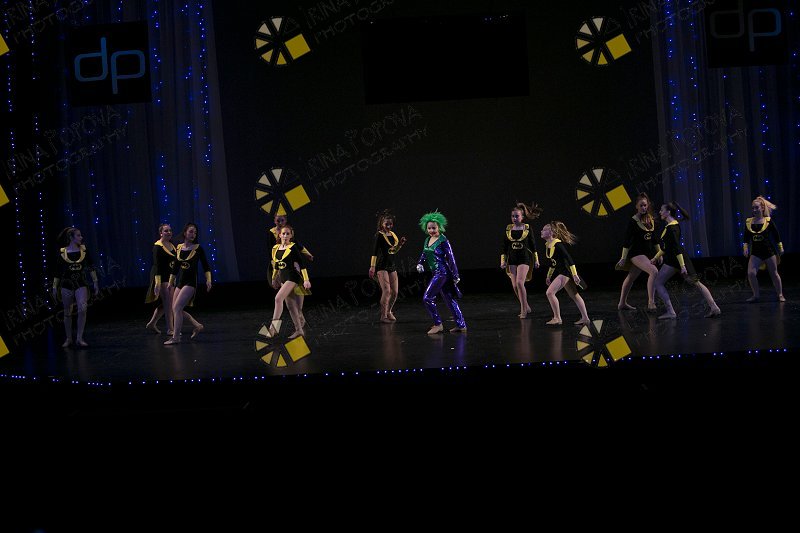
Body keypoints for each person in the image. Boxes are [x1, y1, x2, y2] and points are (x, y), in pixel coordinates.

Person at [650, 202, 721, 319]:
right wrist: (655, 258)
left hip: (676, 260)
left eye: (662, 210)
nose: (660, 212)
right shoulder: (672, 225)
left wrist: (682, 266)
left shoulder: (672, 228)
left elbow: (677, 247)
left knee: (658, 282)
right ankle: (714, 307)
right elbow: (666, 247)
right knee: (695, 283)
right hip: (676, 259)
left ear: (668, 212)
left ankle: (671, 312)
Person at [144, 223, 202, 335]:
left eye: (170, 230)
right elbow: (157, 266)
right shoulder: (157, 246)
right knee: (170, 304)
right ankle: (171, 329)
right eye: (166, 231)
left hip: (169, 277)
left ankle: (152, 323)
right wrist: (157, 283)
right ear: (161, 233)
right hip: (160, 276)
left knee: (168, 303)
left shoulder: (172, 245)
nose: (169, 232)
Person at [416, 211, 467, 334]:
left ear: (439, 227)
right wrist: (420, 263)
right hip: (436, 273)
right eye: (429, 228)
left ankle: (438, 324)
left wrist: (455, 274)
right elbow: (425, 253)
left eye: (434, 228)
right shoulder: (427, 239)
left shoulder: (443, 241)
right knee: (449, 299)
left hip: (442, 273)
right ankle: (461, 325)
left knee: (427, 298)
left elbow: (451, 258)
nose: (431, 230)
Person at [164, 223, 212, 345]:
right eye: (191, 232)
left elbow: (206, 266)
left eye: (195, 233)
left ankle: (176, 337)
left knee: (177, 308)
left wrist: (208, 280)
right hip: (180, 282)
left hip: (190, 283)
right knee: (175, 309)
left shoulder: (198, 248)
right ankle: (197, 325)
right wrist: (170, 282)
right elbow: (175, 267)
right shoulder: (179, 247)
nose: (193, 234)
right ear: (185, 233)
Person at [52, 227, 99, 348]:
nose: (81, 237)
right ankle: (68, 338)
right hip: (66, 284)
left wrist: (95, 282)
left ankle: (79, 338)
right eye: (78, 235)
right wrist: (54, 287)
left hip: (81, 283)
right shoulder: (63, 252)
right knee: (67, 312)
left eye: (80, 235)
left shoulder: (84, 250)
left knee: (82, 309)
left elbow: (91, 266)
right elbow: (57, 271)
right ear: (71, 238)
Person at [264, 224, 311, 339]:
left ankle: (273, 329)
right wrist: (274, 278)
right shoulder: (275, 248)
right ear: (279, 235)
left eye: (287, 234)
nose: (285, 235)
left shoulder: (293, 247)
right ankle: (299, 330)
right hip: (283, 278)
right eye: (283, 233)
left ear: (291, 236)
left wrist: (306, 280)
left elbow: (302, 264)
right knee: (291, 306)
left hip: (292, 277)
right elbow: (276, 266)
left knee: (278, 299)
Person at [541, 221, 590, 326]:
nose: (541, 231)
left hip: (566, 273)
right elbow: (553, 263)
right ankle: (585, 318)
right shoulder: (548, 245)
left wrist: (574, 274)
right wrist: (548, 276)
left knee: (550, 293)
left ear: (551, 232)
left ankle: (557, 318)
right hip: (563, 272)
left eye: (544, 230)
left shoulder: (558, 245)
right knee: (575, 295)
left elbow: (569, 259)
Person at [616, 193, 659, 311]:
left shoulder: (650, 219)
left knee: (631, 277)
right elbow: (626, 241)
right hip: (636, 254)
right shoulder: (633, 221)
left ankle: (622, 303)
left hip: (646, 254)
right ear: (636, 206)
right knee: (654, 271)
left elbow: (655, 239)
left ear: (648, 205)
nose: (643, 208)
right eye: (641, 206)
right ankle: (651, 302)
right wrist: (623, 257)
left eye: (645, 205)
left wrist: (658, 253)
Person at [500, 202, 542, 318]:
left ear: (522, 217)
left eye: (517, 216)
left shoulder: (527, 228)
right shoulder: (508, 229)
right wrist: (503, 261)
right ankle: (526, 306)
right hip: (512, 259)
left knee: (519, 283)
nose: (514, 218)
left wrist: (537, 260)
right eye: (512, 216)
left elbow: (533, 245)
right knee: (514, 286)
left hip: (524, 258)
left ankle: (523, 310)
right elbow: (504, 246)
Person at [743, 196, 785, 302]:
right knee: (751, 273)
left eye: (756, 207)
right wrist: (745, 247)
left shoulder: (768, 221)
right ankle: (756, 295)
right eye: (753, 208)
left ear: (762, 208)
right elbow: (746, 237)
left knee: (774, 274)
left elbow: (776, 235)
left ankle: (780, 294)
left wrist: (780, 247)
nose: (754, 210)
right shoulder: (749, 222)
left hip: (769, 251)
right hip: (756, 252)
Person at [369, 209, 407, 323]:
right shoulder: (379, 235)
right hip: (381, 266)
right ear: (382, 224)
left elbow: (393, 251)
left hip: (391, 265)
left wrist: (400, 244)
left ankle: (389, 311)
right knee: (387, 291)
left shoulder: (393, 235)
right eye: (387, 224)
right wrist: (372, 266)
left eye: (391, 224)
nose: (389, 226)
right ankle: (383, 316)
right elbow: (374, 252)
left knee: (395, 292)